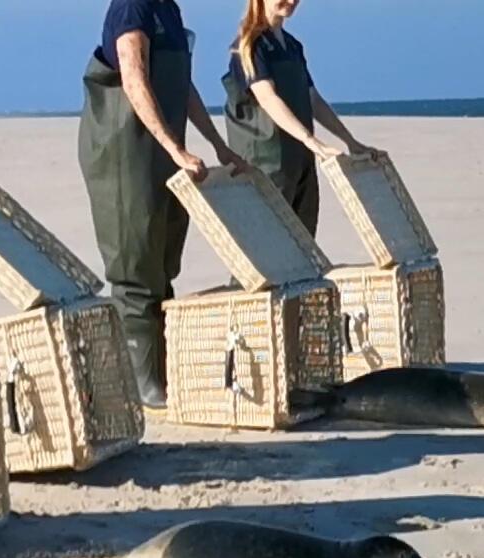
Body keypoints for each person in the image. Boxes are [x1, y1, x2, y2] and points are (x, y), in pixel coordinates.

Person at [79, 0, 248, 411]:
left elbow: (181, 87)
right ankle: (137, 380)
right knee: (135, 257)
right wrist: (175, 147)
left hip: (163, 150)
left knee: (163, 257)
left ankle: (159, 369)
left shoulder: (168, 11)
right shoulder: (131, 8)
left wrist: (217, 143)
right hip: (125, 147)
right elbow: (134, 78)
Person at [221, 0, 377, 235]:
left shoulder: (292, 46)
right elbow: (267, 98)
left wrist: (350, 141)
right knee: (268, 241)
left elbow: (313, 99)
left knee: (303, 242)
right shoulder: (249, 46)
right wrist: (311, 140)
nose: (292, 1)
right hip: (266, 161)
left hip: (300, 160)